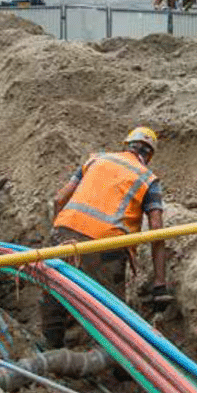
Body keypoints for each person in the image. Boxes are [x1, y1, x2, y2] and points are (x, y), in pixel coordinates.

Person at [41, 126, 172, 349]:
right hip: (105, 246)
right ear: (149, 155)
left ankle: (51, 345)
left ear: (126, 145)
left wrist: (59, 232)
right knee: (110, 313)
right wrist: (159, 282)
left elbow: (58, 199)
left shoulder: (95, 160)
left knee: (55, 290)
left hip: (63, 231)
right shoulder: (148, 178)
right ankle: (118, 364)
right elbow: (157, 231)